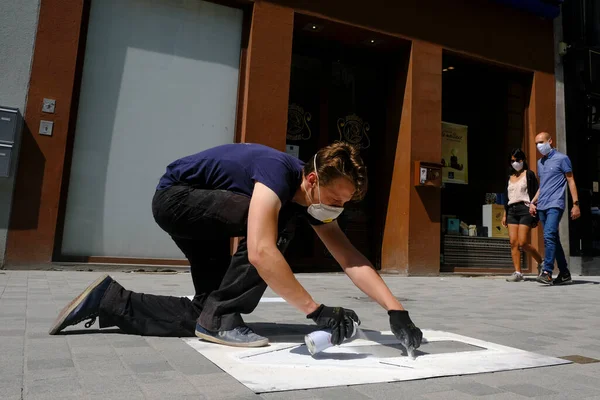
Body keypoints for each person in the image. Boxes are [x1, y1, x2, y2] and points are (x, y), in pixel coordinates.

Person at [49, 142, 423, 354]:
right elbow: (260, 250)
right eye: (334, 198)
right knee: (274, 228)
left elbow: (350, 258)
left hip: (201, 215)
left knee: (205, 312)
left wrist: (397, 311)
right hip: (177, 200)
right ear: (311, 179)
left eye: (346, 204)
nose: (337, 209)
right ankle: (221, 318)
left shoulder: (309, 200)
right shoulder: (279, 172)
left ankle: (108, 301)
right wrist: (316, 311)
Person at [529, 132, 580, 285]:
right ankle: (564, 273)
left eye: (541, 142)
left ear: (550, 141)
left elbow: (570, 181)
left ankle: (547, 272)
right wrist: (533, 201)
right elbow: (543, 186)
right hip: (542, 205)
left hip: (555, 203)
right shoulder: (540, 162)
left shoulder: (562, 159)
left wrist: (576, 204)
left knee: (549, 235)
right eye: (536, 143)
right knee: (553, 239)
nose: (539, 145)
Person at [501, 148, 543, 282]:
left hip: (525, 208)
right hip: (512, 210)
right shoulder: (509, 177)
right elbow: (508, 198)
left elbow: (536, 192)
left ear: (523, 160)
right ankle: (518, 272)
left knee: (523, 242)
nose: (515, 163)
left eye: (518, 160)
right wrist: (504, 214)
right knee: (513, 242)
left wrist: (534, 208)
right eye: (512, 161)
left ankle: (541, 262)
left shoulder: (529, 174)